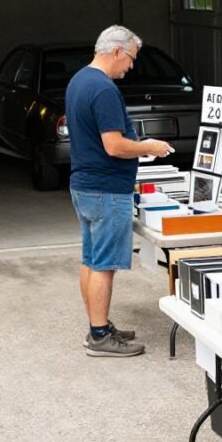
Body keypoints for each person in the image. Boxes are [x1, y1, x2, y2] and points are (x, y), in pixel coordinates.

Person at [67, 25, 172, 357]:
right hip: (106, 188)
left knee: (91, 259)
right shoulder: (103, 90)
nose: (130, 66)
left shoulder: (79, 81)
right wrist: (147, 146)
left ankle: (96, 326)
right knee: (104, 265)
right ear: (116, 51)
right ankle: (100, 336)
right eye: (130, 59)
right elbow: (113, 146)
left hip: (84, 184)